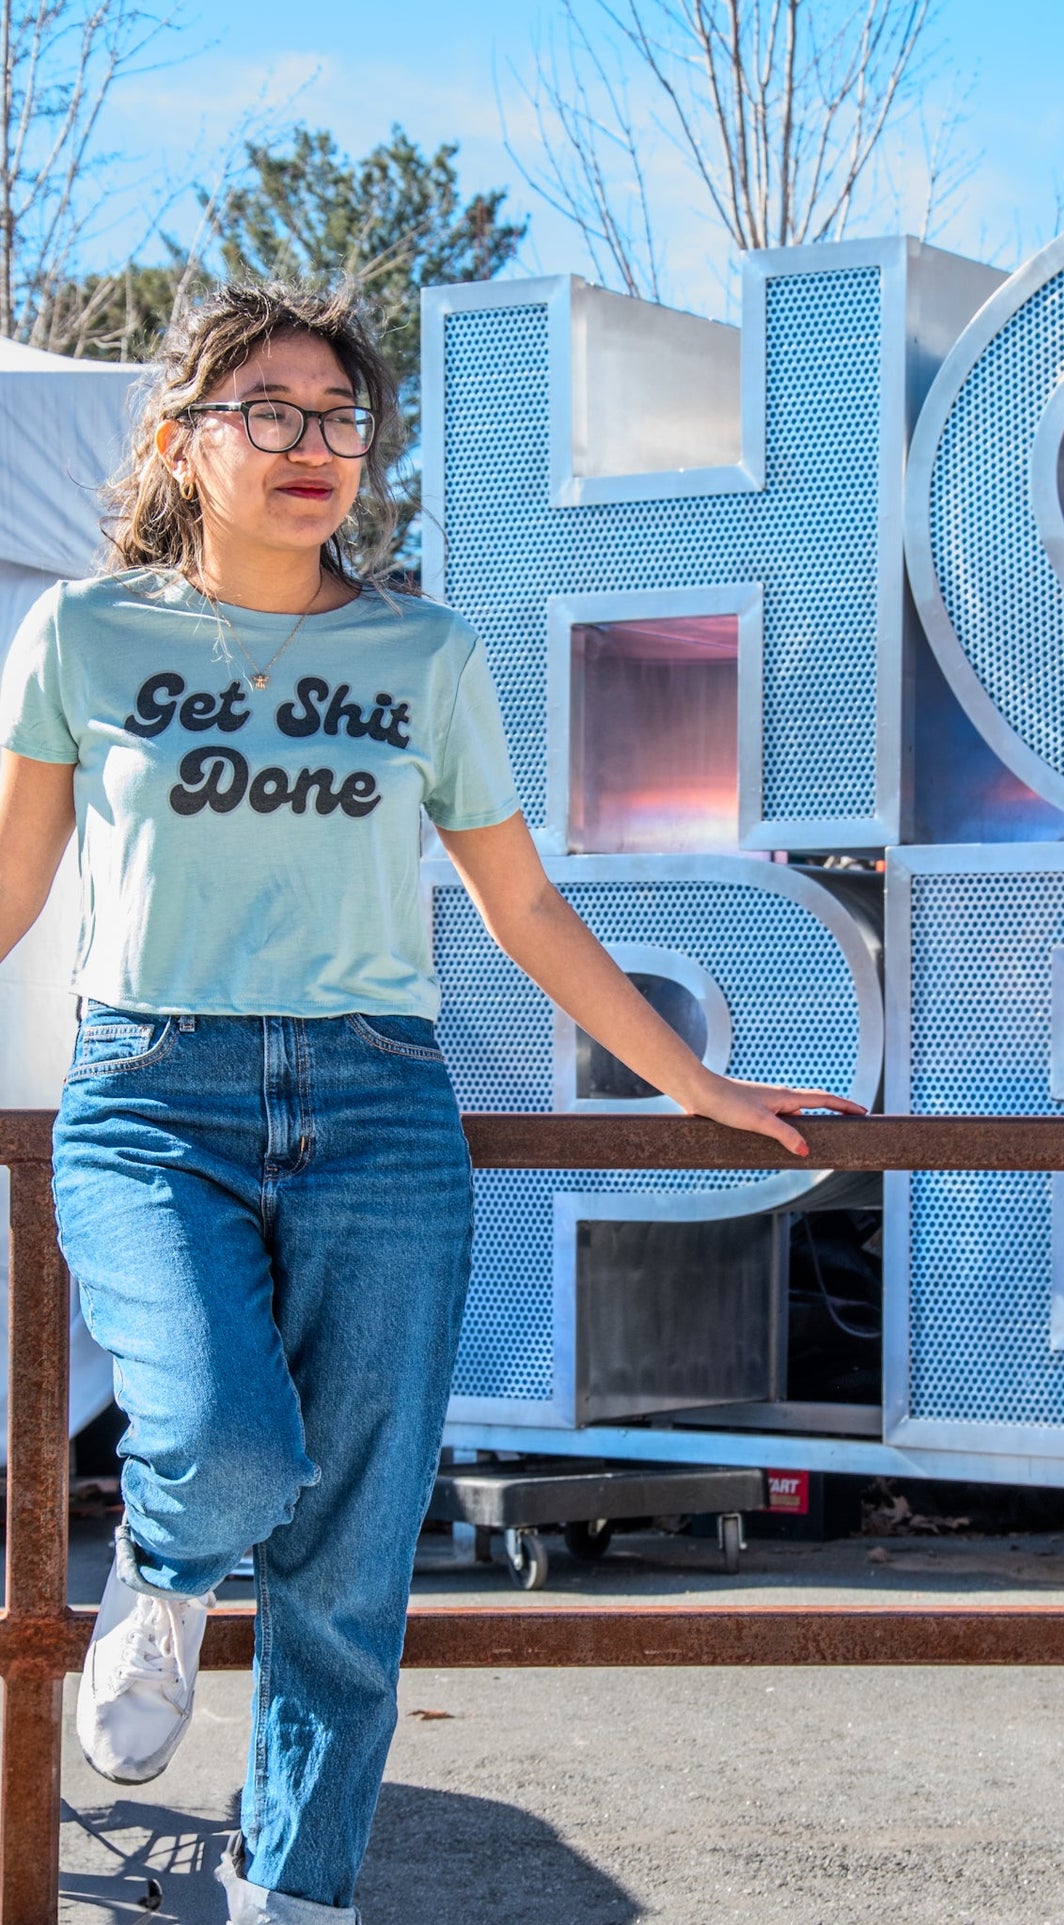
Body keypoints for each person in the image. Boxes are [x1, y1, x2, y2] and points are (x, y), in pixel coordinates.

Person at [0, 281, 863, 1924]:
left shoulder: (425, 651)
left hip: (381, 1112)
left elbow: (523, 906)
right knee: (222, 1437)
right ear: (185, 439)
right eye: (270, 409)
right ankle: (168, 1565)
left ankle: (293, 1893)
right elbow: (11, 877)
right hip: (148, 1096)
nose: (313, 444)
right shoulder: (87, 634)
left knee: (354, 1562)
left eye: (340, 415)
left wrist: (692, 1077)